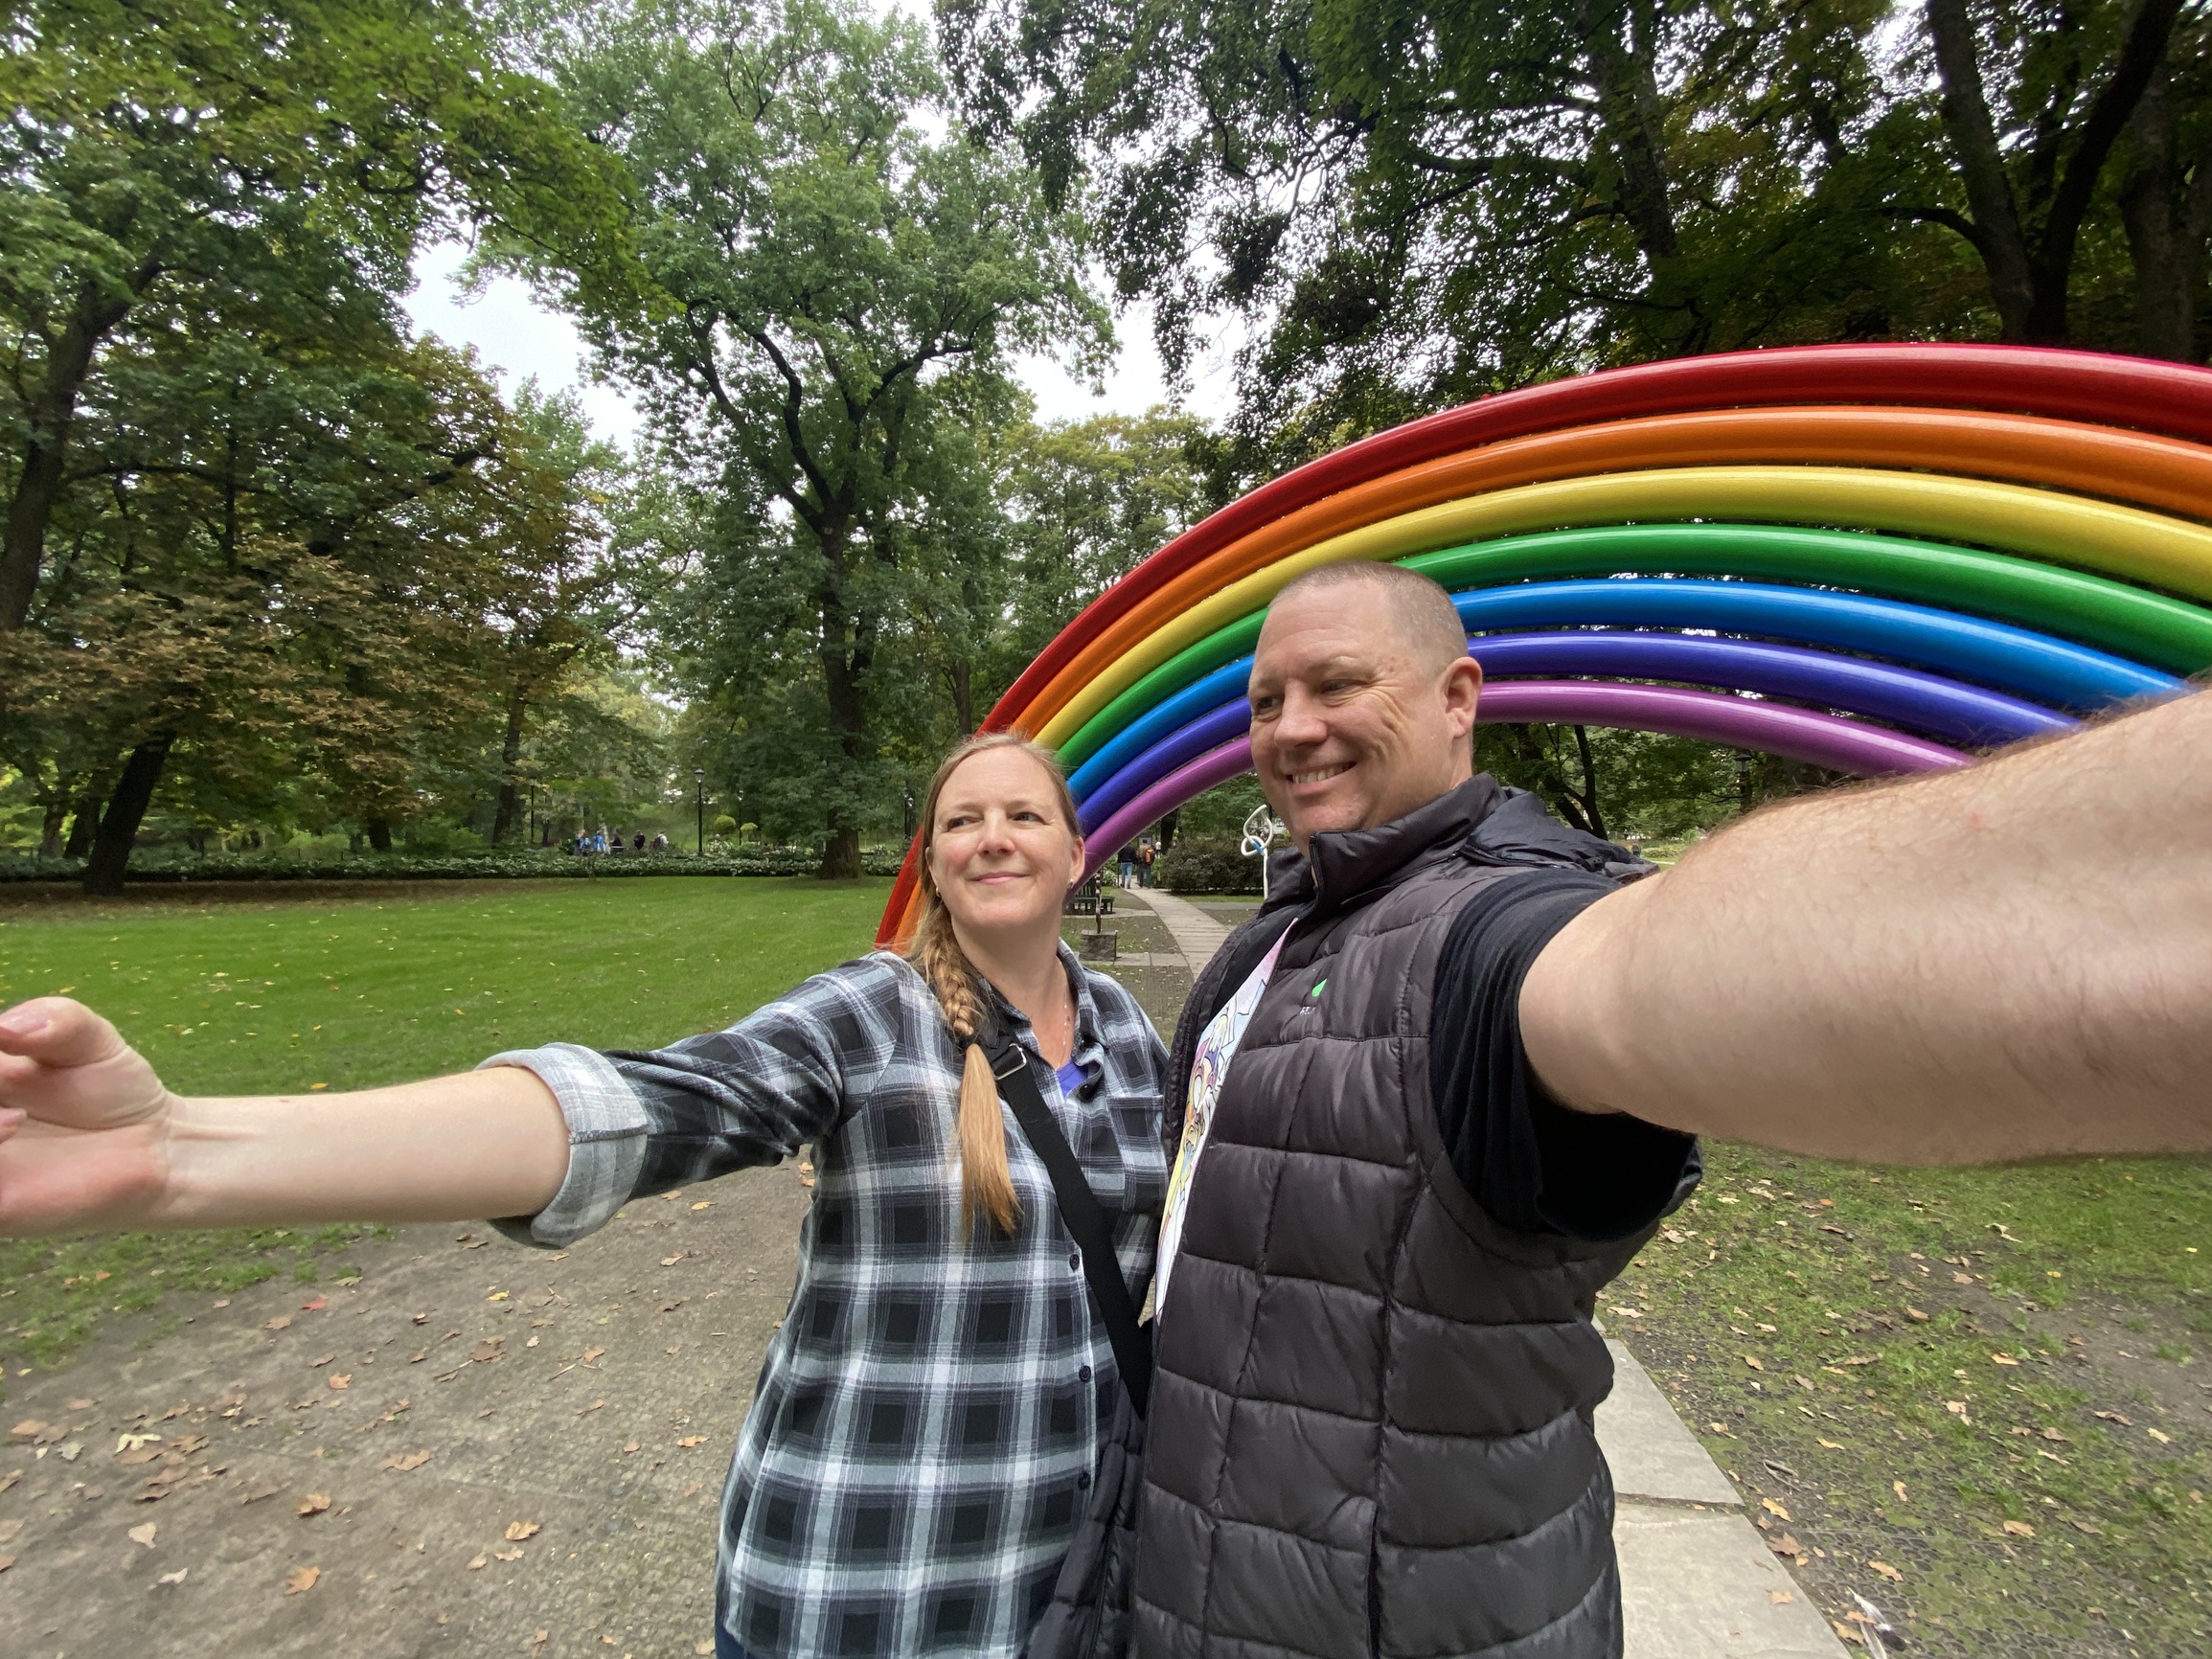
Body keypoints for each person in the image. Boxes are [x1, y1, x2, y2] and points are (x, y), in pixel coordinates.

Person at [1129, 560, 2212, 1659]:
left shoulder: (1488, 930)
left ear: (1456, 698)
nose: (1291, 728)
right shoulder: (1282, 932)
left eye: (1336, 685)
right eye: (1265, 701)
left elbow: (1649, 971)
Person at [0, 734, 1172, 1659]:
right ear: (931, 860)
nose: (991, 836)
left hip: (1071, 1589)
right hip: (866, 1587)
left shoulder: (1126, 1032)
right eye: (960, 819)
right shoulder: (869, 1013)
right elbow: (653, 1105)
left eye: (1024, 815)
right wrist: (182, 1150)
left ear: (1080, 854)